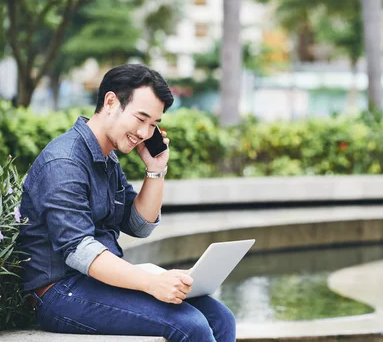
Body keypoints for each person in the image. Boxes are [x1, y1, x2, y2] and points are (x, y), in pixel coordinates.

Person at [18, 64, 235, 341]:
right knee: (190, 325)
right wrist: (151, 282)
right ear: (110, 102)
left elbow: (139, 225)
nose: (145, 133)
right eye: (141, 118)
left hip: (96, 283)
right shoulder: (65, 161)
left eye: (154, 125)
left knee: (220, 318)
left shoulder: (107, 158)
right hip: (61, 292)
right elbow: (79, 251)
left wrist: (156, 170)